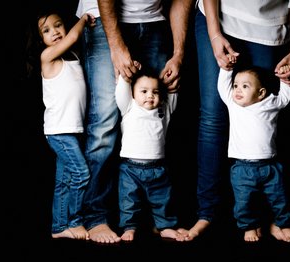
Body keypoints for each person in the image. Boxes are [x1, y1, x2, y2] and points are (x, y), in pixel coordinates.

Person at [178, 0, 290, 241]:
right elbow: (223, 90)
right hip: (220, 17)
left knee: (265, 116)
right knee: (212, 120)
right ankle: (206, 214)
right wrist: (214, 33)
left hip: (269, 27)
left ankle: (272, 219)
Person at [75, 0, 193, 243]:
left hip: (154, 21)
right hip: (102, 18)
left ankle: (160, 221)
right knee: (103, 126)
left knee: (158, 116)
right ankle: (96, 218)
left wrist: (179, 54)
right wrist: (116, 45)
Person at [217, 63, 290, 242]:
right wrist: (226, 70)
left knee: (279, 197)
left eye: (245, 86)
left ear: (261, 93)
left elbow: (285, 98)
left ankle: (281, 223)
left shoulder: (269, 103)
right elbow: (223, 87)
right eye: (236, 85)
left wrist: (285, 79)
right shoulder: (234, 104)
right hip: (242, 168)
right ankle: (250, 226)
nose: (237, 90)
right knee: (244, 201)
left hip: (270, 165)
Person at [35, 10, 96, 240]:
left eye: (58, 25)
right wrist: (82, 20)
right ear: (41, 39)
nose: (55, 32)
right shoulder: (47, 57)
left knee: (64, 181)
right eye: (47, 31)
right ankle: (75, 221)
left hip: (71, 130)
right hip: (59, 132)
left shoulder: (73, 57)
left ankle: (59, 227)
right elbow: (72, 37)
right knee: (81, 174)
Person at [115, 67, 184, 242]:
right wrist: (125, 77)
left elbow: (173, 92)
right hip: (131, 168)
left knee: (163, 199)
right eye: (144, 91)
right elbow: (122, 91)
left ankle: (165, 226)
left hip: (157, 167)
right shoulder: (129, 107)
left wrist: (171, 82)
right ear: (133, 93)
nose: (150, 96)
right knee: (128, 200)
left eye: (155, 92)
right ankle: (129, 227)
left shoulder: (164, 109)